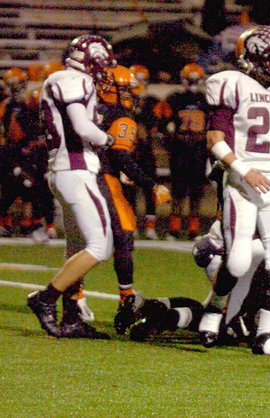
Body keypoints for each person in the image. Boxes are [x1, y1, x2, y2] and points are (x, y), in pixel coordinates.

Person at [201, 25, 270, 357]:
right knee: (236, 263)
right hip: (241, 182)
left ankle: (266, 336)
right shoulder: (230, 84)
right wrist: (243, 169)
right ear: (251, 59)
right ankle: (213, 312)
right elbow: (214, 140)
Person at [26, 34, 117, 339]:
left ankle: (72, 317)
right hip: (75, 168)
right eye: (100, 63)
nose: (103, 71)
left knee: (77, 247)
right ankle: (46, 298)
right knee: (99, 246)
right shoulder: (71, 79)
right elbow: (81, 126)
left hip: (64, 170)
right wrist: (108, 140)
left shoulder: (61, 79)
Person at [130, 221, 270, 344]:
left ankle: (161, 309)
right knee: (232, 322)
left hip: (241, 258)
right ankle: (164, 312)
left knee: (221, 315)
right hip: (256, 261)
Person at [94, 65, 172, 334]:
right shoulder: (122, 117)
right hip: (102, 177)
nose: (131, 94)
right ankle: (126, 300)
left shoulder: (87, 110)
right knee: (125, 233)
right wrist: (151, 185)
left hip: (77, 173)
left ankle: (74, 301)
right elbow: (120, 156)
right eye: (126, 89)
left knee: (82, 241)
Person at [0, 68, 55, 241]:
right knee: (12, 187)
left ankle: (35, 224)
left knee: (39, 187)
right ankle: (8, 223)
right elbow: (10, 139)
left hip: (33, 155)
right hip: (13, 154)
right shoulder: (8, 107)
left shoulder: (32, 107)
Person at [163, 63, 210, 240]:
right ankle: (175, 226)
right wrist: (172, 137)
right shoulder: (175, 98)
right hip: (181, 148)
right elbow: (163, 123)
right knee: (178, 189)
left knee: (196, 190)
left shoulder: (206, 100)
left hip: (197, 149)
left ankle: (193, 227)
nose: (192, 83)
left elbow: (212, 125)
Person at [127, 64, 163, 240]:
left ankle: (150, 227)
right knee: (129, 191)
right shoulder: (124, 103)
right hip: (128, 153)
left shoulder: (151, 103)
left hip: (145, 153)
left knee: (150, 189)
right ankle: (131, 225)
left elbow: (155, 128)